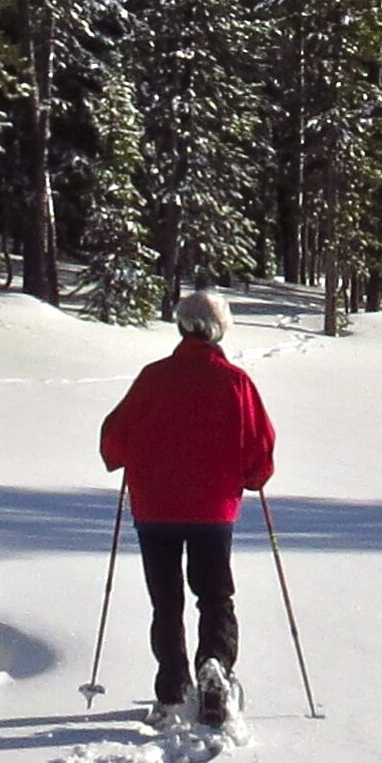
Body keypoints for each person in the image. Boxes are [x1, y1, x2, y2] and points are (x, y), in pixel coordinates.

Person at [99, 287, 276, 726]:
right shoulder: (236, 382)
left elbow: (114, 437)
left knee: (166, 600)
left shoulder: (153, 377)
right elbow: (261, 444)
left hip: (155, 507)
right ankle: (215, 664)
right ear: (220, 329)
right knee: (214, 595)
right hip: (213, 508)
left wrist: (122, 457)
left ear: (182, 324)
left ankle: (173, 686)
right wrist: (254, 477)